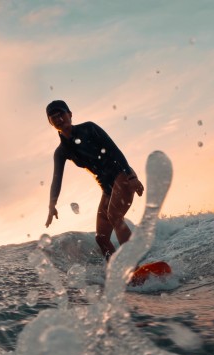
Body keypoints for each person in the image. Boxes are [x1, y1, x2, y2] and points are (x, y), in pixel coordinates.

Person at [44, 100, 144, 261]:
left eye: (61, 114)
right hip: (107, 188)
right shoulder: (61, 151)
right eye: (53, 117)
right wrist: (52, 205)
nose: (58, 119)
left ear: (69, 114)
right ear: (50, 122)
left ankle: (134, 266)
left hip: (122, 174)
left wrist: (131, 177)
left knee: (115, 216)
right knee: (101, 238)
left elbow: (114, 150)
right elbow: (56, 179)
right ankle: (116, 272)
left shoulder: (89, 128)